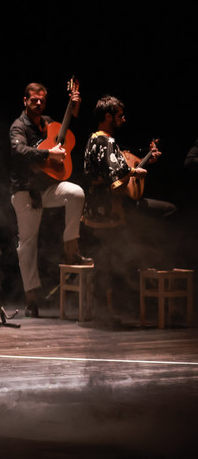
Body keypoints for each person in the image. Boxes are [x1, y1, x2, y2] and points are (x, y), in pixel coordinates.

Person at [83, 95, 175, 324]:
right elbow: (115, 178)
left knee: (106, 259)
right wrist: (136, 172)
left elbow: (115, 167)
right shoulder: (106, 141)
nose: (123, 119)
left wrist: (141, 164)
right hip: (111, 208)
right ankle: (151, 256)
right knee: (169, 210)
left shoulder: (93, 139)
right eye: (120, 116)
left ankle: (103, 310)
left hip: (97, 209)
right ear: (108, 116)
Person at [9, 81, 90, 318]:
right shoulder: (18, 126)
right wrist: (48, 154)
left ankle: (70, 248)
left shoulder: (48, 123)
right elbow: (18, 150)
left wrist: (73, 108)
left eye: (41, 100)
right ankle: (31, 298)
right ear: (25, 101)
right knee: (27, 245)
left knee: (76, 193)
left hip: (47, 188)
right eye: (33, 99)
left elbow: (66, 132)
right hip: (26, 192)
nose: (38, 103)